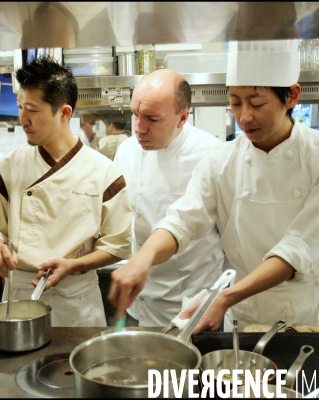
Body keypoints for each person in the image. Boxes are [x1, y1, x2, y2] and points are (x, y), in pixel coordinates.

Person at [108, 39, 319, 333]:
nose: (244, 117)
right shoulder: (221, 160)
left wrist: (224, 297)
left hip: (308, 313)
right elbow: (183, 220)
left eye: (257, 103)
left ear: (291, 96)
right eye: (235, 102)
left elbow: (297, 248)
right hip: (244, 312)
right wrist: (144, 258)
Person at [0, 56, 132, 327]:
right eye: (21, 107)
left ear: (64, 113)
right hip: (21, 296)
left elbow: (118, 245)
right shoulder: (7, 168)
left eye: (33, 110)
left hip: (77, 301)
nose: (23, 119)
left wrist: (74, 265)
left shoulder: (103, 173)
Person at [113, 69, 225, 327]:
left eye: (152, 119)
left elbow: (229, 241)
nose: (139, 129)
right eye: (135, 114)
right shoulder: (127, 151)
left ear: (182, 118)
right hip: (137, 303)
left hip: (190, 306)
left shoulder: (213, 156)